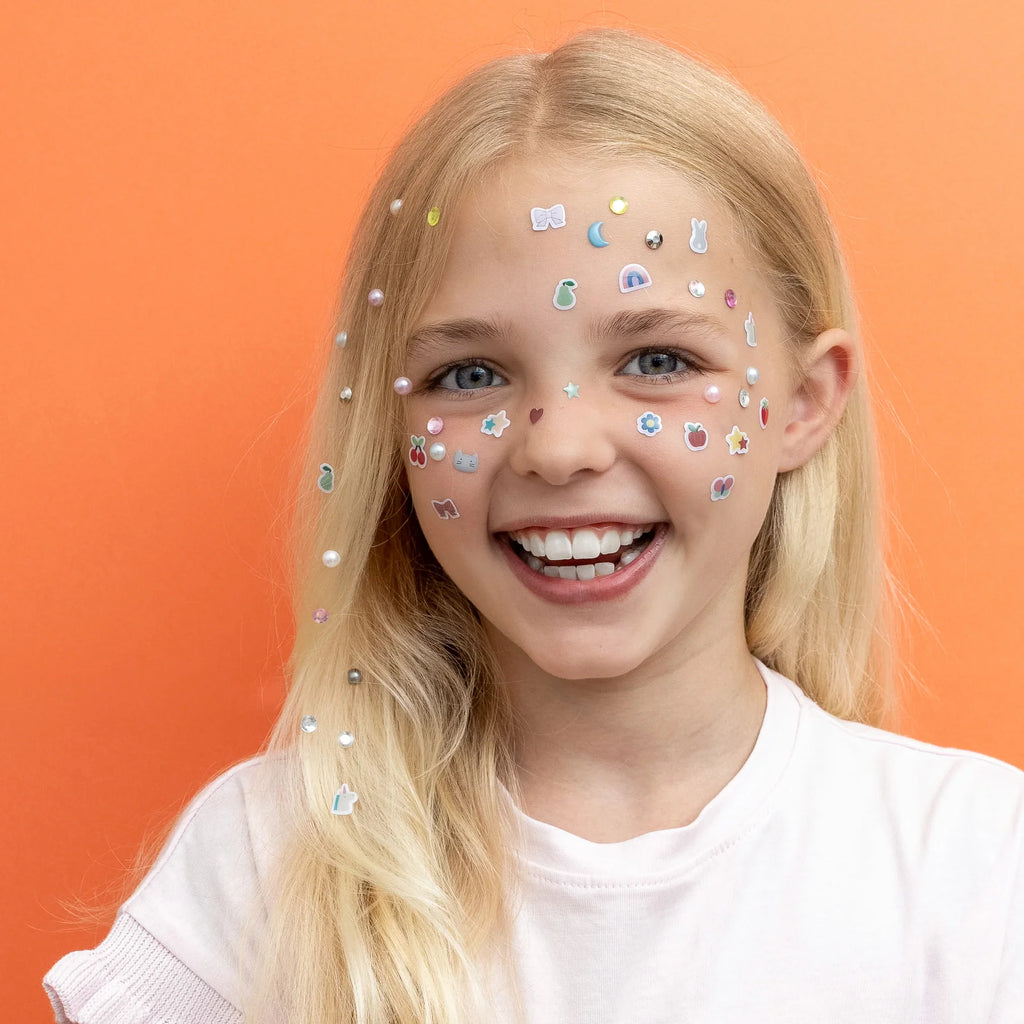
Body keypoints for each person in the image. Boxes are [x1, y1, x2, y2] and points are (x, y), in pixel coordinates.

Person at [43, 27, 1024, 1024]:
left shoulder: (978, 876)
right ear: (391, 426)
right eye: (469, 376)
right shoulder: (264, 866)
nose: (557, 450)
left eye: (657, 361)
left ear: (804, 403)